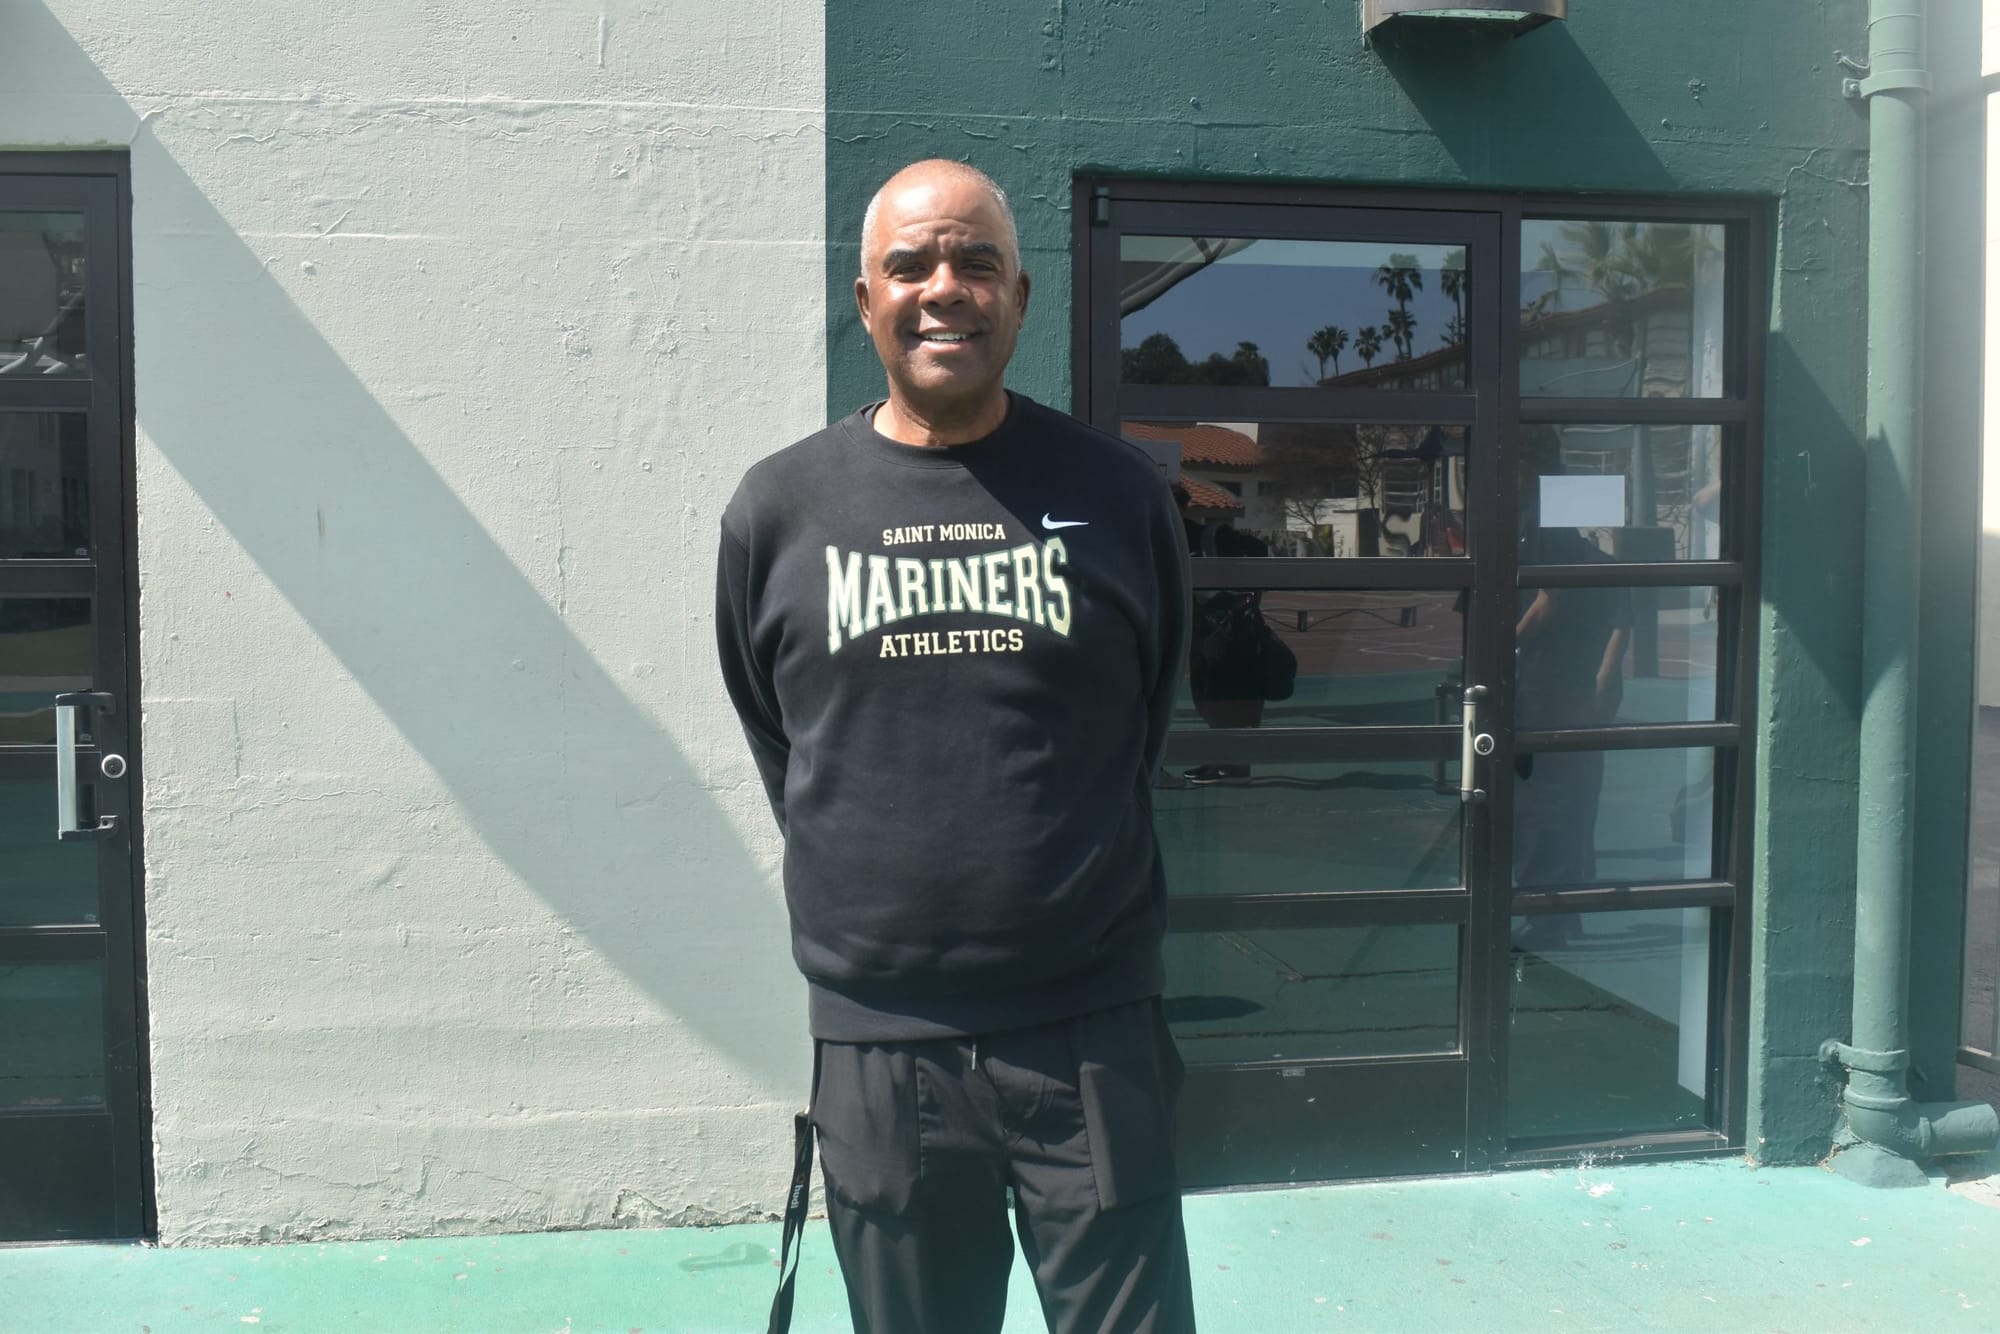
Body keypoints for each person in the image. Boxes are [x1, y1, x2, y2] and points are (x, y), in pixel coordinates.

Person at [714, 159, 1196, 1334]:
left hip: (1091, 1030)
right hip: (882, 1050)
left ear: (1019, 297)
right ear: (866, 300)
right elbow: (786, 744)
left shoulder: (1118, 493)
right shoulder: (778, 510)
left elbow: (1140, 721)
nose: (944, 288)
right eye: (910, 265)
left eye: (976, 262)